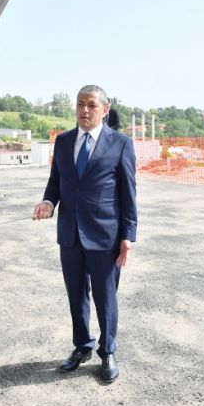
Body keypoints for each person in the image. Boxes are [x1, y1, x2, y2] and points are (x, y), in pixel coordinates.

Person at [33, 84, 137, 384]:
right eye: (80, 104)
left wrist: (128, 235)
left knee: (106, 298)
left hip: (105, 235)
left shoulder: (120, 144)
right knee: (76, 295)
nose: (85, 110)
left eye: (91, 105)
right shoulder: (64, 141)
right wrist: (49, 202)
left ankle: (108, 351)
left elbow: (128, 192)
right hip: (70, 233)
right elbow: (56, 181)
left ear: (105, 109)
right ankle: (82, 345)